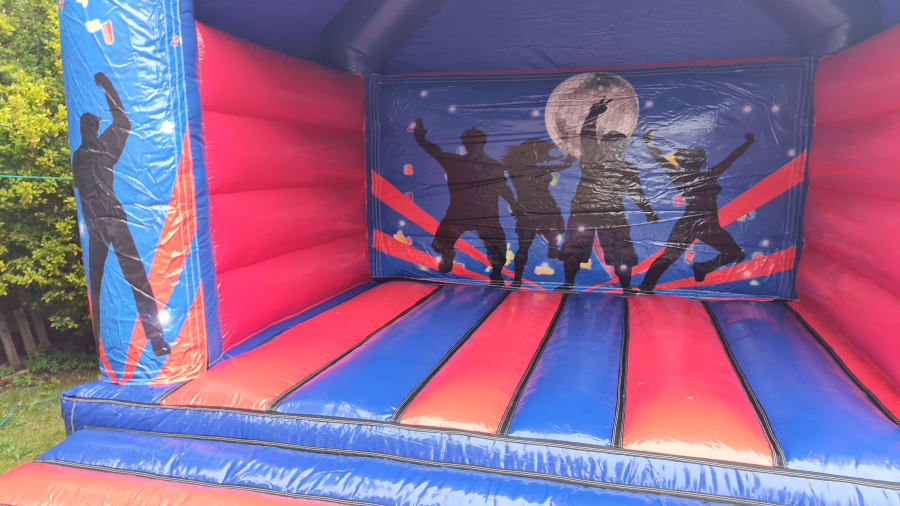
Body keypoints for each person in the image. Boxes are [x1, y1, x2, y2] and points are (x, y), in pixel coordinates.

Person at [73, 72, 170, 356]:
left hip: (109, 221)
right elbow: (123, 121)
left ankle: (155, 337)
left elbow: (123, 122)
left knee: (129, 279)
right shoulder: (92, 152)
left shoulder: (95, 150)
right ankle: (110, 343)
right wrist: (106, 87)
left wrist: (108, 87)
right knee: (109, 282)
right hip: (102, 223)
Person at [558, 101, 660, 292]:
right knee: (574, 248)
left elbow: (636, 192)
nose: (615, 148)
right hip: (584, 210)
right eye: (611, 145)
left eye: (619, 145)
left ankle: (626, 287)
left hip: (611, 212)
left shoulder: (627, 169)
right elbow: (587, 137)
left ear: (622, 147)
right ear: (604, 146)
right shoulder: (592, 159)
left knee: (621, 250)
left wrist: (648, 211)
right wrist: (593, 114)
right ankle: (569, 283)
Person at [638, 130, 754, 293]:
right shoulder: (707, 175)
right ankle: (647, 286)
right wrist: (747, 143)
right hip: (700, 224)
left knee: (734, 253)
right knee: (669, 256)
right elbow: (731, 158)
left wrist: (649, 142)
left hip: (702, 225)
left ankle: (702, 267)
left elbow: (731, 158)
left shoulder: (695, 176)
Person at [413, 119, 520, 286]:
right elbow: (434, 151)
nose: (474, 147)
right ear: (466, 145)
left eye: (476, 143)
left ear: (482, 144)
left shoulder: (493, 166)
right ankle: (448, 253)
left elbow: (503, 188)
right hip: (461, 213)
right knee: (441, 241)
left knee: (498, 247)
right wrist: (420, 137)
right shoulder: (456, 162)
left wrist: (514, 203)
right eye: (471, 144)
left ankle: (496, 272)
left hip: (484, 214)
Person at [502, 139, 574, 288]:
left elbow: (565, 165)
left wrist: (570, 155)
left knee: (535, 244)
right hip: (530, 212)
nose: (535, 156)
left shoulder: (540, 169)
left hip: (545, 210)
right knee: (524, 248)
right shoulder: (516, 171)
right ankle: (517, 279)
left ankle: (553, 250)